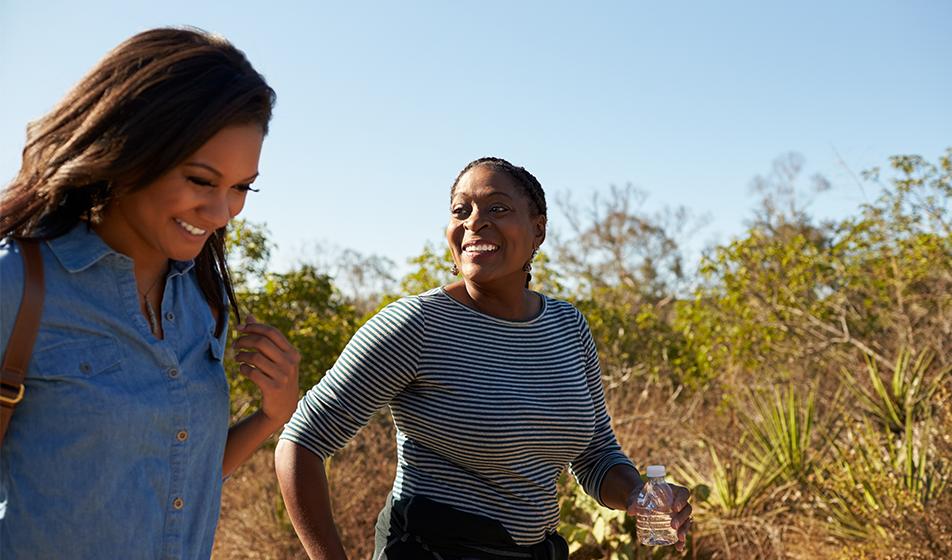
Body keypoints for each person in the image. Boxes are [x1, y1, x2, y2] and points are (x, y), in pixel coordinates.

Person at [275, 157, 692, 559]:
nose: (474, 221)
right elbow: (301, 442)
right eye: (461, 210)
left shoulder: (567, 326)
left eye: (497, 207)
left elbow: (595, 454)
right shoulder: (418, 325)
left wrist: (640, 494)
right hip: (430, 549)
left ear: (538, 229)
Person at [0, 28, 300, 559]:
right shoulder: (17, 285)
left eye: (241, 187)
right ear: (129, 150)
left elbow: (177, 476)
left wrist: (271, 416)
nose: (222, 212)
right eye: (201, 180)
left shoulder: (202, 300)